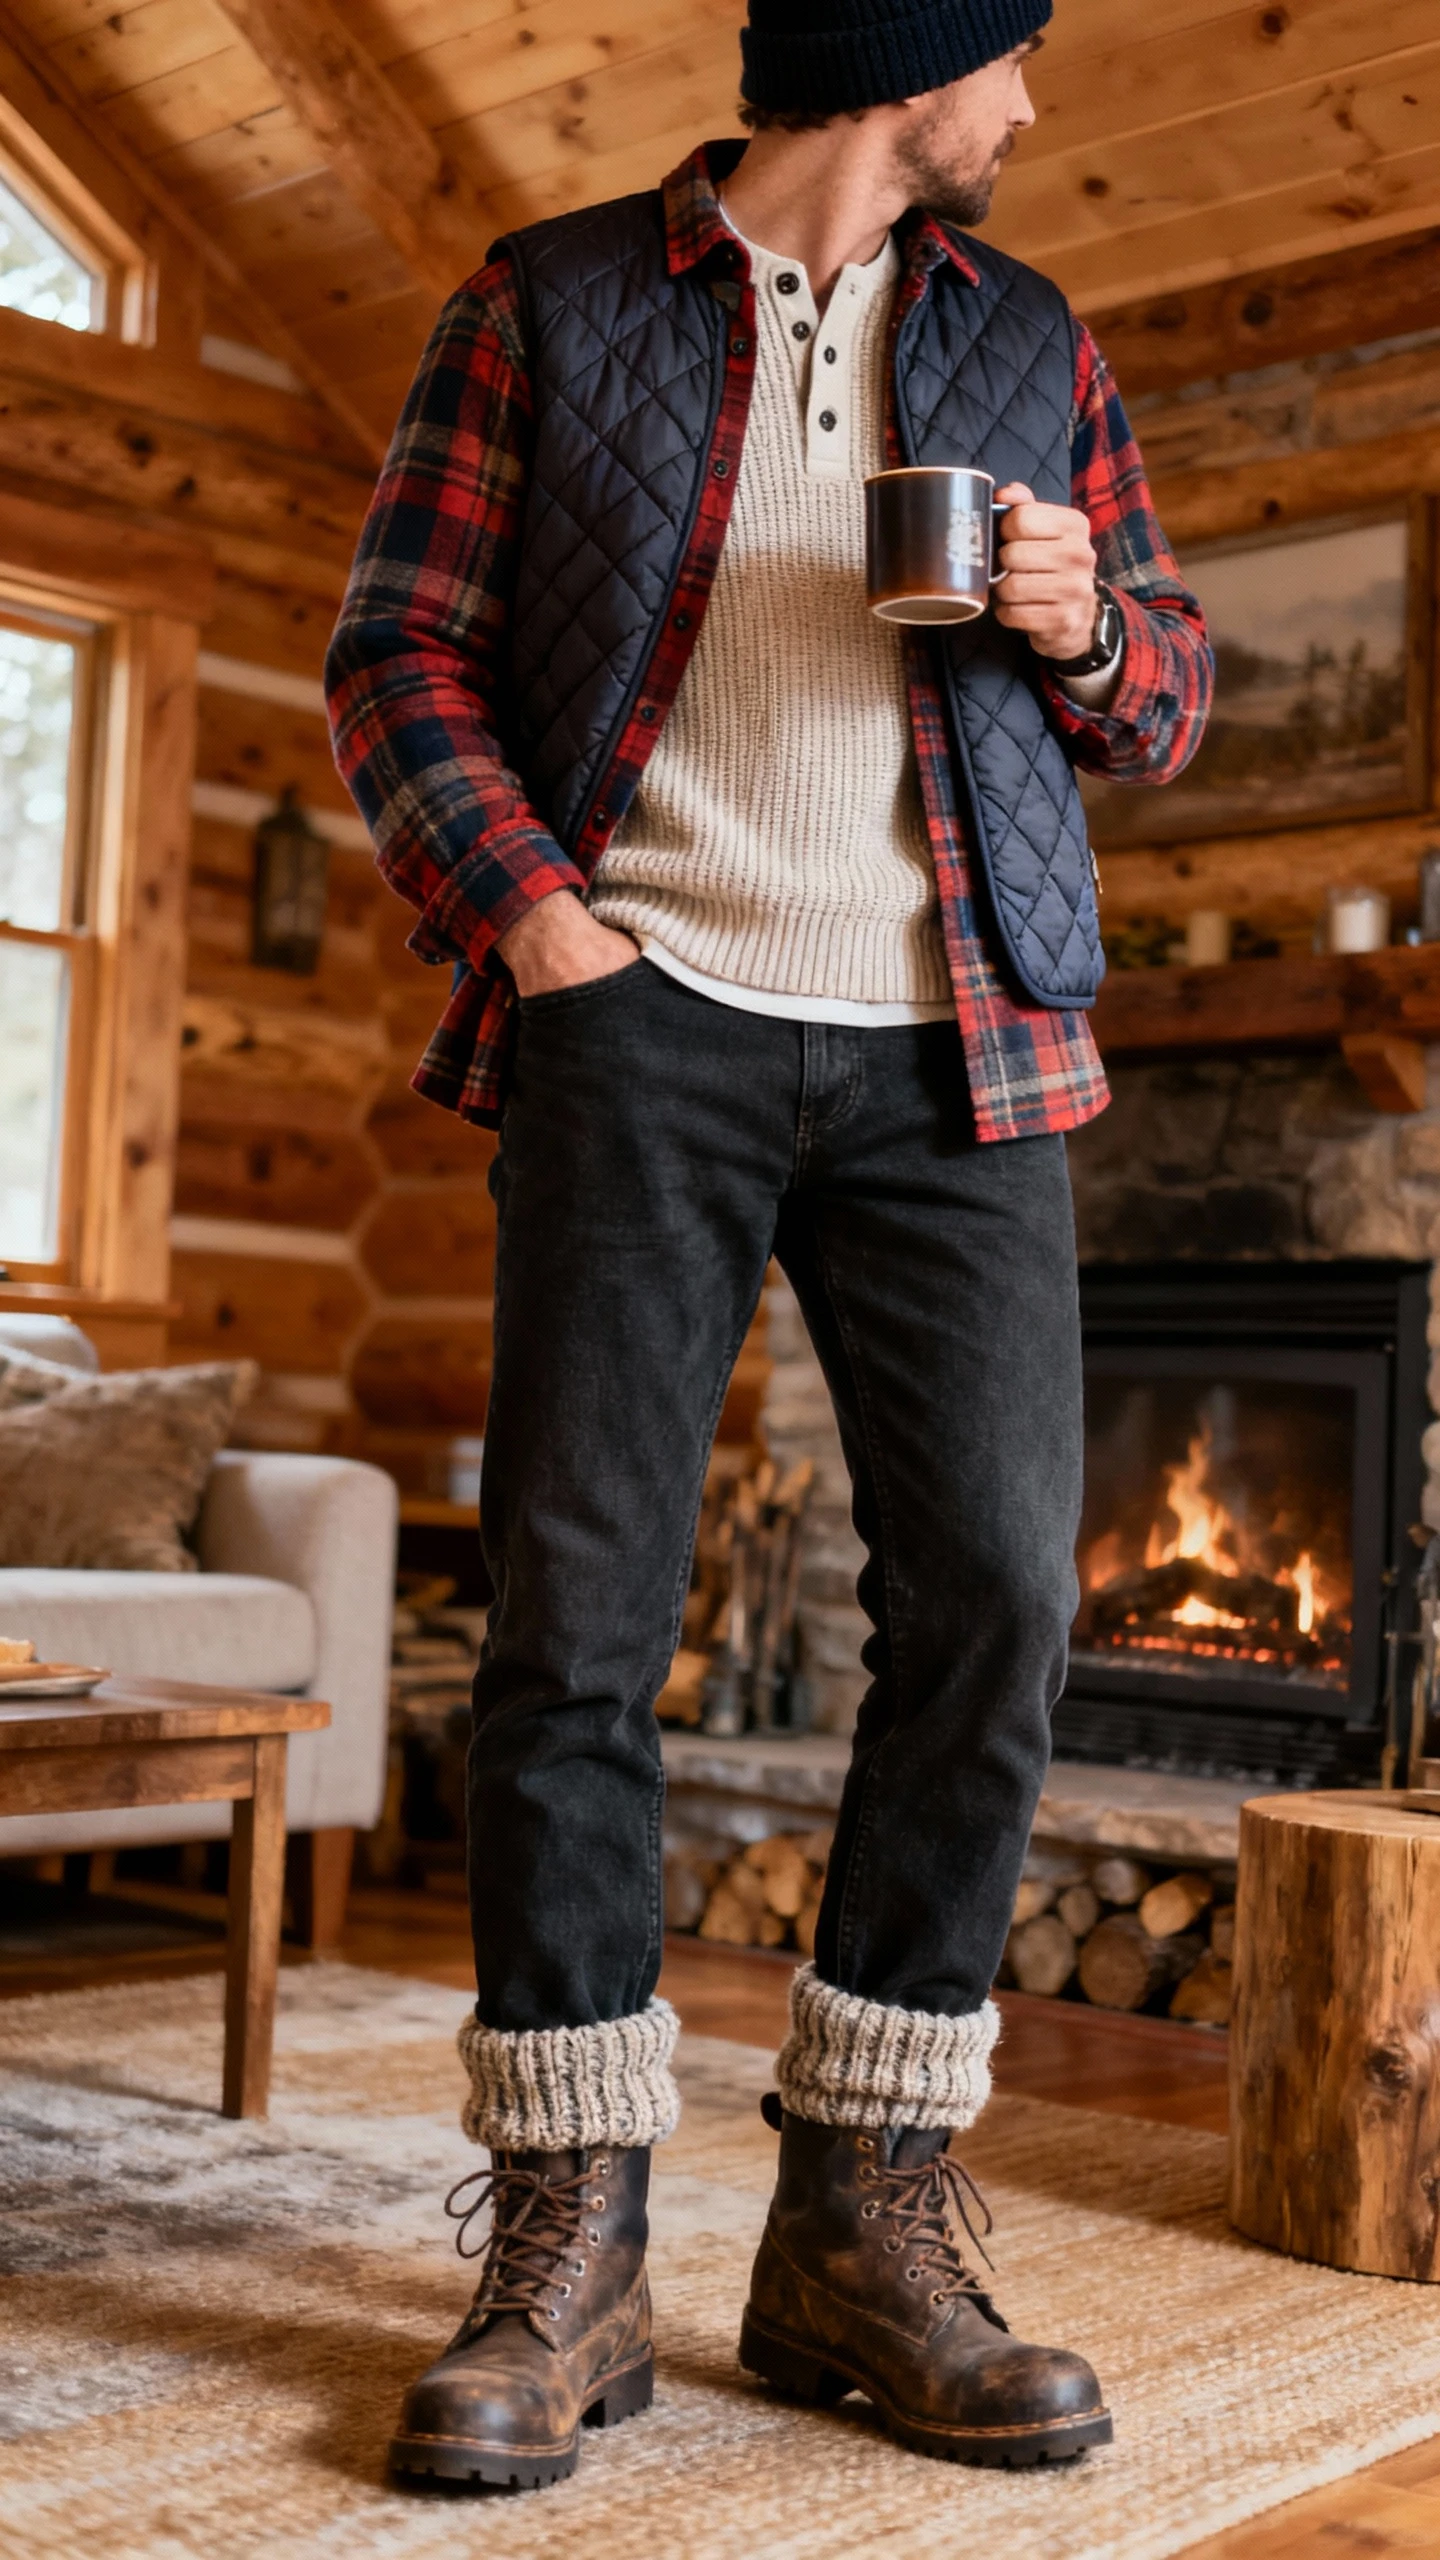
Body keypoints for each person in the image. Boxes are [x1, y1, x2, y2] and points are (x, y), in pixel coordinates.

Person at [326, 0, 1212, 2491]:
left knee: (1001, 1599)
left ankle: (861, 2217)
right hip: (645, 1024)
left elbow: (1164, 703)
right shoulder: (550, 302)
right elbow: (395, 647)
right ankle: (570, 2238)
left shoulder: (1032, 338)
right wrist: (542, 928)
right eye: (1009, 47)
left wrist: (1083, 619)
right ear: (903, 52)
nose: (1030, 102)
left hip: (960, 1049)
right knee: (578, 1623)